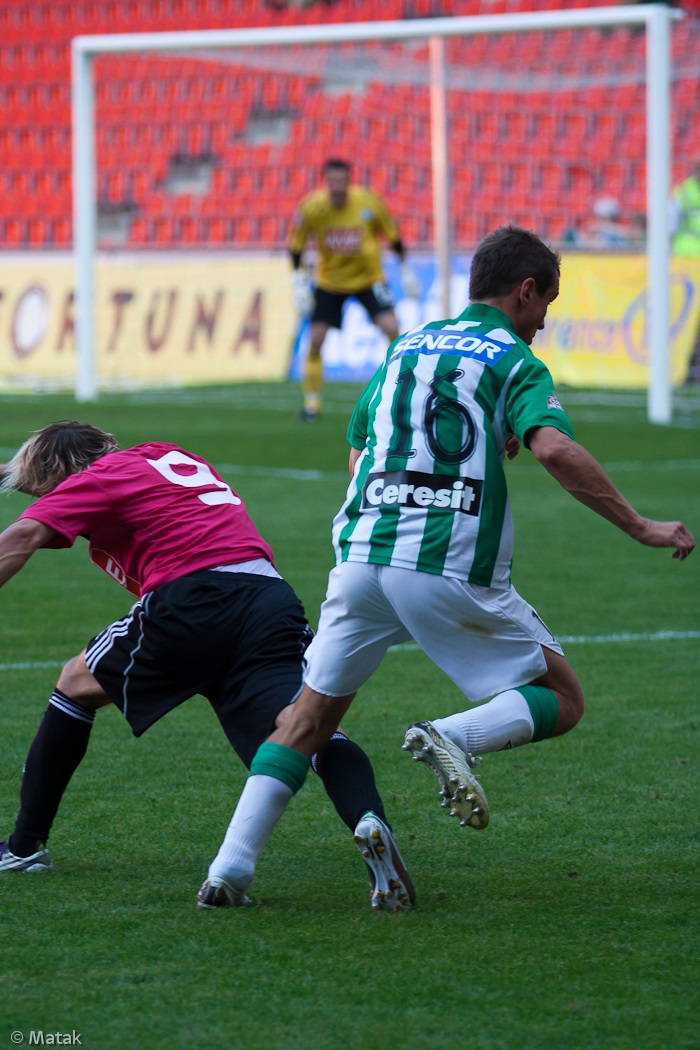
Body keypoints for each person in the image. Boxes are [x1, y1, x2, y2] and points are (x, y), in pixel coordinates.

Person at [203, 225, 695, 908]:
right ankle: (452, 736)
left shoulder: (405, 346)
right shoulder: (514, 359)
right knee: (565, 699)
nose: (545, 321)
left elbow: (359, 454)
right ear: (525, 291)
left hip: (361, 556)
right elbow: (553, 448)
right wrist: (641, 525)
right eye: (545, 303)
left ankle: (229, 869)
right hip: (446, 561)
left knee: (307, 719)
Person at [0, 421, 414, 913]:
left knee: (75, 683)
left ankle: (25, 848)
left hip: (194, 596)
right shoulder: (161, 457)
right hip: (267, 599)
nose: (45, 500)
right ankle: (368, 819)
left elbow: (22, 535)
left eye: (46, 488)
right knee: (305, 726)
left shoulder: (97, 477)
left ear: (64, 473)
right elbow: (37, 475)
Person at [288, 157, 421, 422]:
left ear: (349, 182)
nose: (337, 187)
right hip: (329, 281)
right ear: (326, 182)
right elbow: (296, 245)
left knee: (393, 330)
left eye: (341, 181)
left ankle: (402, 393)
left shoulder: (368, 202)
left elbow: (392, 234)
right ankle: (311, 403)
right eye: (332, 182)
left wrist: (405, 268)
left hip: (369, 278)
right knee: (315, 340)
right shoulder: (312, 208)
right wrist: (298, 280)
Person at [670, 156, 700, 384]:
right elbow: (668, 225)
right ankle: (688, 370)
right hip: (686, 265)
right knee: (687, 319)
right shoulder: (684, 193)